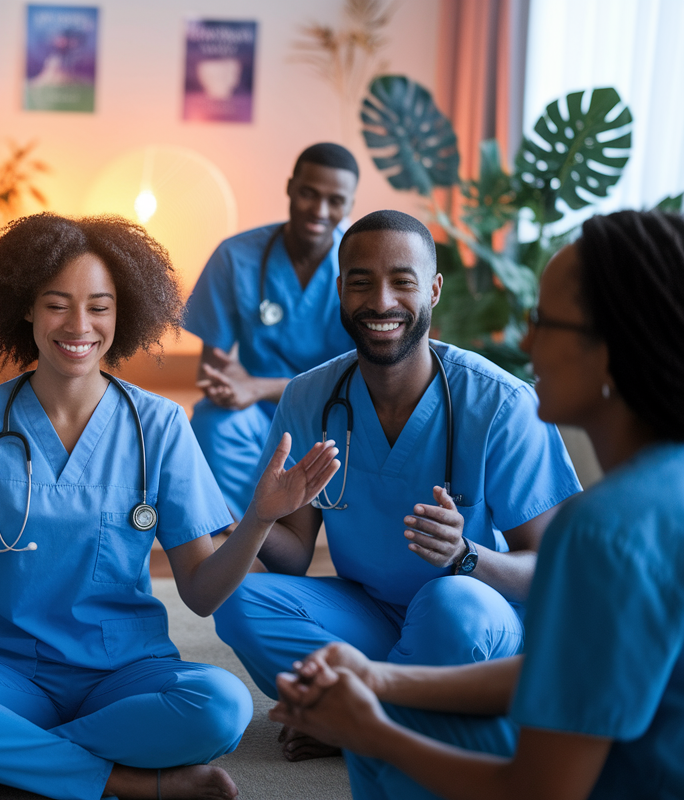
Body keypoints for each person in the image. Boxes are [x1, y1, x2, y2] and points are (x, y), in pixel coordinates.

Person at [0, 213, 347, 800]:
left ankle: (6, 758)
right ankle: (126, 780)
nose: (79, 325)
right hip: (8, 670)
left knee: (223, 706)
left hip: (127, 670)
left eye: (99, 306)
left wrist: (260, 518)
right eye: (56, 304)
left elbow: (200, 593)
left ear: (124, 313)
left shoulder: (160, 424)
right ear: (25, 309)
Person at [268, 209, 684, 800]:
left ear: (614, 346)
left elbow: (542, 788)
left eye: (545, 322)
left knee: (388, 752)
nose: (526, 341)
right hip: (388, 622)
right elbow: (566, 677)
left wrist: (371, 732)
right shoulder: (665, 487)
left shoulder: (603, 530)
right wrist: (381, 679)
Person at [212, 210, 584, 761]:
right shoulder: (307, 398)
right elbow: (292, 558)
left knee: (453, 602)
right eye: (360, 281)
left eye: (402, 281)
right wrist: (249, 515)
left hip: (478, 621)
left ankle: (359, 718)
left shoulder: (501, 405)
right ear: (340, 291)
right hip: (374, 614)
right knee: (236, 598)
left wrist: (466, 556)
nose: (380, 301)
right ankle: (399, 711)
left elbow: (555, 573)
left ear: (432, 289)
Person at [184, 142, 359, 519]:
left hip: (338, 414)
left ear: (351, 204)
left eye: (335, 200)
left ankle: (289, 536)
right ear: (290, 187)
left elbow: (360, 379)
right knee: (214, 424)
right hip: (260, 415)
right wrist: (234, 387)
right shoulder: (235, 257)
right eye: (309, 194)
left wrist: (257, 385)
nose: (320, 210)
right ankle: (238, 538)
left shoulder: (362, 266)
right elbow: (212, 370)